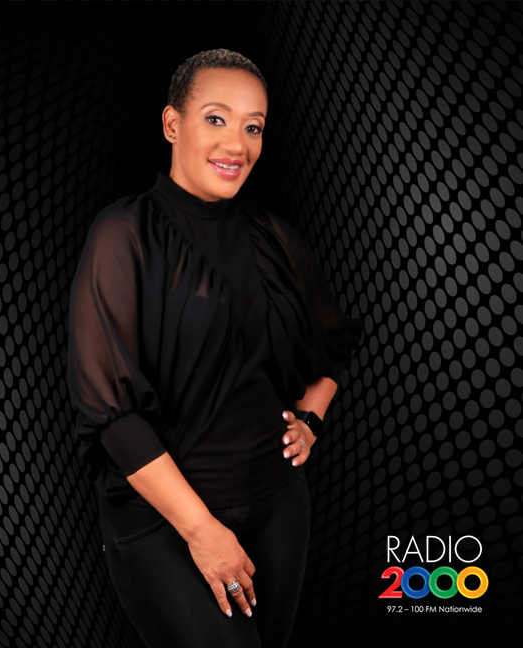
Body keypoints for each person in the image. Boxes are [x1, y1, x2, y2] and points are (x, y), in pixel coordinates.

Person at [67, 49, 364, 647]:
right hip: (165, 524)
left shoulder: (274, 236)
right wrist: (201, 530)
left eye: (253, 126)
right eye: (216, 118)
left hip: (279, 510)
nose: (237, 144)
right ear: (172, 124)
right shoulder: (123, 233)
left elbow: (332, 345)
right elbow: (113, 417)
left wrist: (310, 420)